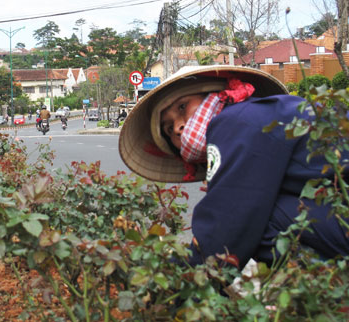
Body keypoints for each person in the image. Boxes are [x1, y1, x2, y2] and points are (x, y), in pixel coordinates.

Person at [119, 65, 349, 269]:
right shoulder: (254, 115)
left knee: (256, 222)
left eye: (182, 107)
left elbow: (224, 229)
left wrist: (171, 288)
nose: (178, 126)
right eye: (169, 129)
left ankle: (325, 295)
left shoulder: (234, 121)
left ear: (216, 94)